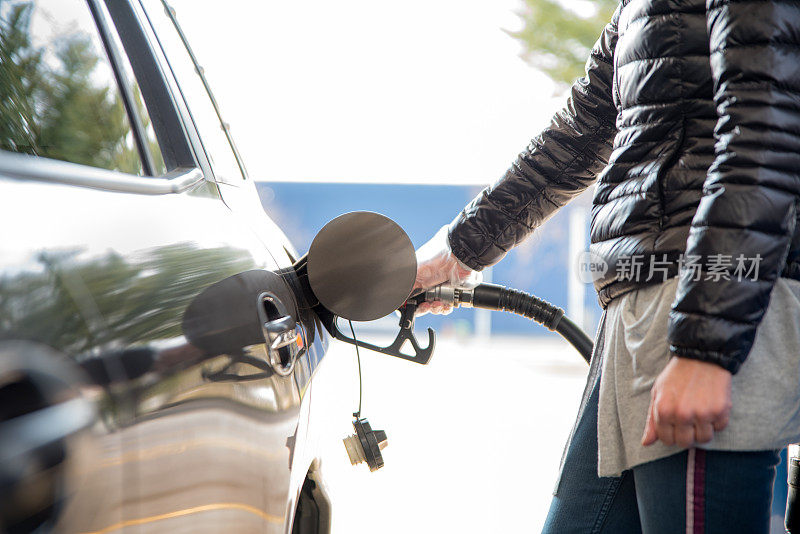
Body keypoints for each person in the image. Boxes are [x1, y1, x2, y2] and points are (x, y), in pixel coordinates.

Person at [413, 1, 800, 532]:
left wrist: (705, 349)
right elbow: (580, 132)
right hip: (641, 311)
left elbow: (765, 134)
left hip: (712, 307)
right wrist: (456, 251)